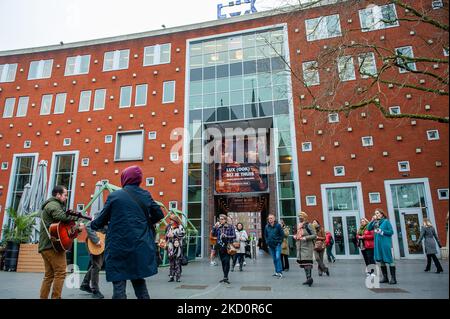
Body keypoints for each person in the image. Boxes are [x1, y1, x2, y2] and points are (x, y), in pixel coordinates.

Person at [90, 165, 164, 299]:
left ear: (125, 178)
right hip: (139, 248)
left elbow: (99, 222)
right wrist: (145, 222)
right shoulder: (145, 195)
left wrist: (93, 223)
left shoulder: (115, 196)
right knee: (139, 283)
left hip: (118, 249)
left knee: (119, 286)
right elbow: (159, 214)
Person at [38, 185, 80, 299]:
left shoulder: (55, 205)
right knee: (61, 273)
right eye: (65, 195)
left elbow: (62, 228)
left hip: (46, 246)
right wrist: (76, 217)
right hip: (52, 246)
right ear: (58, 195)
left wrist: (76, 229)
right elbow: (60, 216)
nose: (66, 197)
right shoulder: (53, 205)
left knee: (49, 276)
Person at [367, 208, 397, 284]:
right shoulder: (375, 222)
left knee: (389, 260)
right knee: (381, 260)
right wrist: (372, 220)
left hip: (385, 243)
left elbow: (391, 232)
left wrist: (382, 231)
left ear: (381, 214)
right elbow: (368, 228)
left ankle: (393, 278)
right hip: (377, 243)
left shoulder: (386, 221)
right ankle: (385, 277)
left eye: (377, 213)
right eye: (375, 213)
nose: (376, 214)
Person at [80, 215, 106, 299]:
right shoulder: (103, 213)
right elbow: (88, 225)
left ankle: (85, 284)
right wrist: (96, 240)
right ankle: (95, 290)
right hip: (95, 243)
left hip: (103, 243)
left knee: (97, 264)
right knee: (96, 265)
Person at [211, 214, 236, 284]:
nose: (220, 220)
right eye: (220, 219)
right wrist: (214, 227)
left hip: (227, 246)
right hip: (220, 246)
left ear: (225, 220)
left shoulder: (230, 226)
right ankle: (225, 276)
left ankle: (226, 276)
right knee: (222, 262)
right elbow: (213, 235)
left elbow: (234, 236)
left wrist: (226, 236)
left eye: (222, 219)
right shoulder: (218, 227)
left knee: (227, 261)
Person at [294, 211, 316, 287]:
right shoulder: (299, 226)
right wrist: (295, 236)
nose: (300, 218)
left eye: (301, 216)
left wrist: (305, 238)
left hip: (307, 246)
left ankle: (309, 278)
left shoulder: (309, 225)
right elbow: (298, 235)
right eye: (299, 216)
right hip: (300, 247)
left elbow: (314, 235)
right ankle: (308, 279)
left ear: (305, 217)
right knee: (304, 263)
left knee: (308, 263)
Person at [165, 213, 186, 282]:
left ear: (175, 220)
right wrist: (166, 239)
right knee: (171, 262)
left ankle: (177, 277)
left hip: (177, 246)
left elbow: (183, 234)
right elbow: (166, 235)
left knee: (177, 261)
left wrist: (174, 235)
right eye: (170, 219)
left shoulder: (180, 226)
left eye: (171, 220)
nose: (170, 221)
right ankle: (171, 276)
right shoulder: (169, 227)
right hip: (170, 246)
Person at [264, 214, 284, 278]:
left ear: (274, 219)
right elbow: (265, 235)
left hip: (277, 244)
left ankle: (280, 272)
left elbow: (282, 235)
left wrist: (279, 242)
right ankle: (276, 272)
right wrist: (267, 242)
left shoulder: (278, 226)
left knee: (278, 257)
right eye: (269, 218)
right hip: (271, 245)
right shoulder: (267, 226)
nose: (270, 219)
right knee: (274, 259)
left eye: (271, 218)